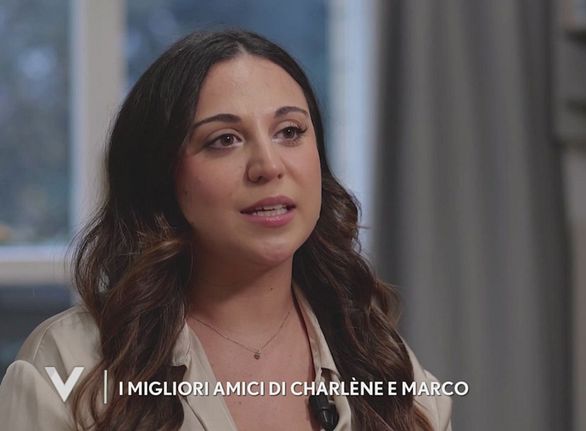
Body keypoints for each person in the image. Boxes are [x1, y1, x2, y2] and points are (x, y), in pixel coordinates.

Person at [0, 30, 452, 430]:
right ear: (163, 176)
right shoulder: (69, 367)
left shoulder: (390, 373)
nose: (268, 166)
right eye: (224, 140)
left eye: (289, 131)